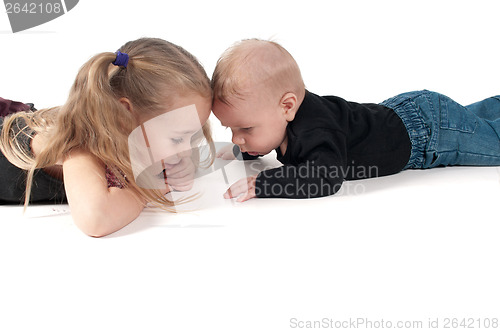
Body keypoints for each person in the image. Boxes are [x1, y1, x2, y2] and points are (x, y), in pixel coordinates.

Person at [211, 39, 500, 202]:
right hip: (410, 113)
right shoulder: (279, 117)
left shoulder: (316, 131)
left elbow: (326, 177)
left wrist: (264, 183)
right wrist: (244, 148)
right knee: (473, 120)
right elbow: (266, 137)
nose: (237, 137)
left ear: (287, 106)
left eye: (246, 128)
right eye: (232, 129)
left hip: (428, 135)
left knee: (492, 141)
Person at [0, 37, 214, 237]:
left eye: (191, 137)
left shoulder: (129, 134)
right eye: (177, 139)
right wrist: (146, 190)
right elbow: (96, 218)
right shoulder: (80, 146)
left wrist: (180, 163)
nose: (187, 149)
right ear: (124, 115)